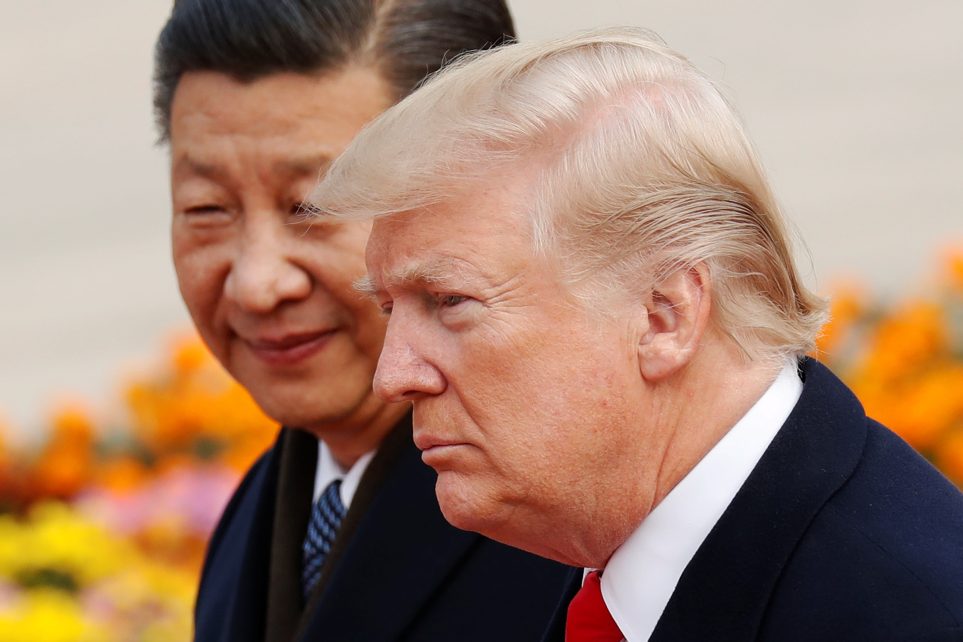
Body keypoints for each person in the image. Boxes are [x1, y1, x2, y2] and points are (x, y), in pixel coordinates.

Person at [309, 27, 963, 641]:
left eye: (449, 301)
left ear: (663, 316)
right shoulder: (597, 541)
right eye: (391, 310)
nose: (392, 375)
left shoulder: (908, 612)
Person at [152, 2, 574, 641]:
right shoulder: (255, 519)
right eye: (208, 208)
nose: (258, 283)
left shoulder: (574, 529)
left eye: (313, 205)